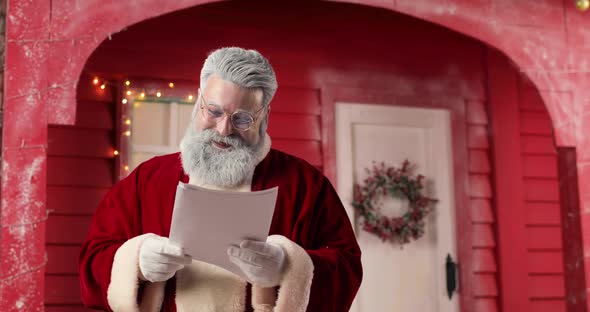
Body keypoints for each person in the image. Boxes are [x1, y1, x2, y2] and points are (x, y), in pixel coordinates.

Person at [79, 47, 362, 312]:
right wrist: (137, 262)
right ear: (199, 100)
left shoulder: (305, 185)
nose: (224, 129)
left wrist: (287, 268)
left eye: (241, 119)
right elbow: (93, 259)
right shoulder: (148, 179)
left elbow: (347, 266)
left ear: (264, 116)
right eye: (213, 111)